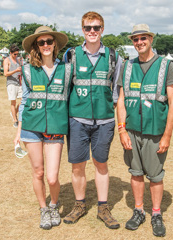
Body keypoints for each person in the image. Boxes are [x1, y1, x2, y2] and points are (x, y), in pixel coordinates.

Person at [117, 24, 173, 237]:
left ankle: (156, 213)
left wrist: (167, 135)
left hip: (155, 132)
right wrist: (122, 130)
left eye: (143, 38)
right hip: (132, 131)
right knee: (135, 173)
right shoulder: (127, 66)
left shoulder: (165, 66)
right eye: (135, 39)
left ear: (151, 39)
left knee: (155, 176)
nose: (139, 42)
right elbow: (122, 100)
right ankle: (139, 210)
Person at [63, 11, 122, 229]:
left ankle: (103, 207)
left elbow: (116, 91)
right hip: (77, 120)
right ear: (82, 30)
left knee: (101, 164)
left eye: (96, 27)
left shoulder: (114, 57)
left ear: (102, 29)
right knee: (78, 166)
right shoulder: (71, 55)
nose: (92, 32)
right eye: (88, 28)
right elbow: (65, 88)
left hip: (104, 121)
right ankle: (79, 205)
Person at [14, 26, 72, 230]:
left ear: (54, 43)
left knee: (52, 176)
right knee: (38, 172)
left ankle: (54, 205)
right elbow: (25, 100)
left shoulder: (67, 68)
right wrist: (18, 130)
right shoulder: (28, 69)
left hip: (56, 126)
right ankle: (43, 209)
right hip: (31, 126)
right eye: (41, 42)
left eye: (49, 41)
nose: (46, 45)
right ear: (36, 46)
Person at [3, 44, 22, 128]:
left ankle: (13, 112)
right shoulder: (7, 60)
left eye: (17, 54)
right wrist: (15, 70)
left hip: (19, 83)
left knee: (22, 101)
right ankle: (15, 120)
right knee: (13, 102)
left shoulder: (18, 60)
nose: (16, 55)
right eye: (14, 54)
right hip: (11, 83)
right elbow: (5, 73)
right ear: (10, 53)